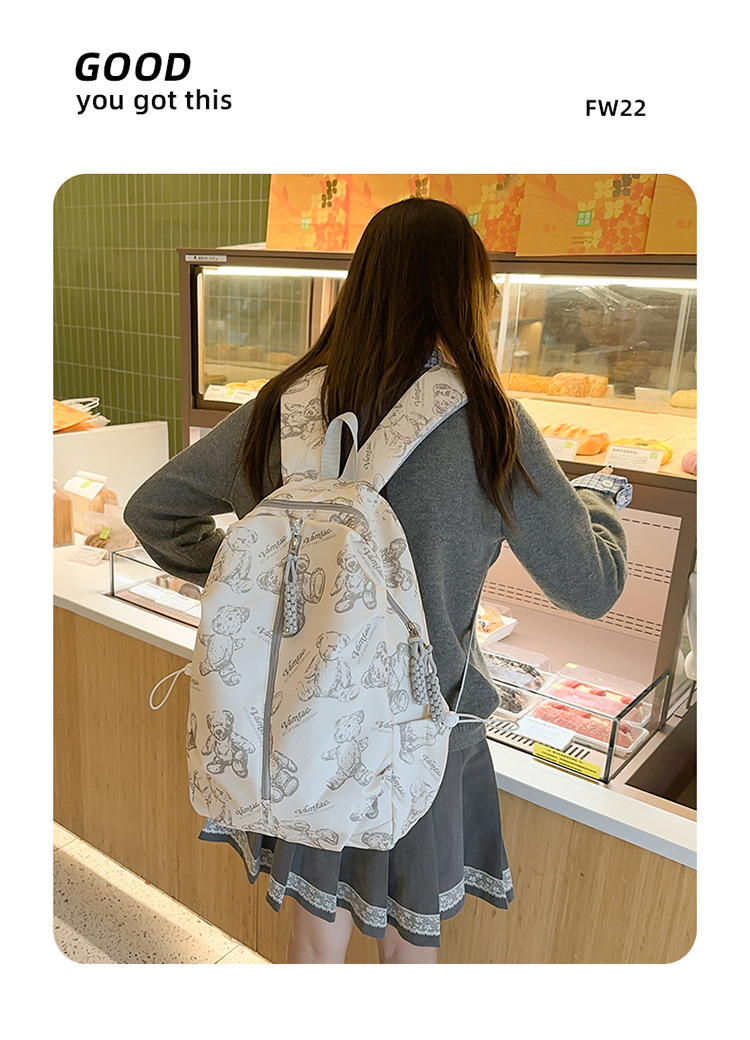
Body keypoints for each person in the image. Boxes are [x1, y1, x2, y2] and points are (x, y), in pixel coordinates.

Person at [124, 197, 630, 964]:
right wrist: (599, 501)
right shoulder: (489, 422)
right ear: (468, 295)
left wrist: (256, 589)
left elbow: (154, 511)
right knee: (406, 952)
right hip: (425, 731)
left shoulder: (281, 406)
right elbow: (591, 585)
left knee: (313, 943)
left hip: (301, 721)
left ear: (359, 284)